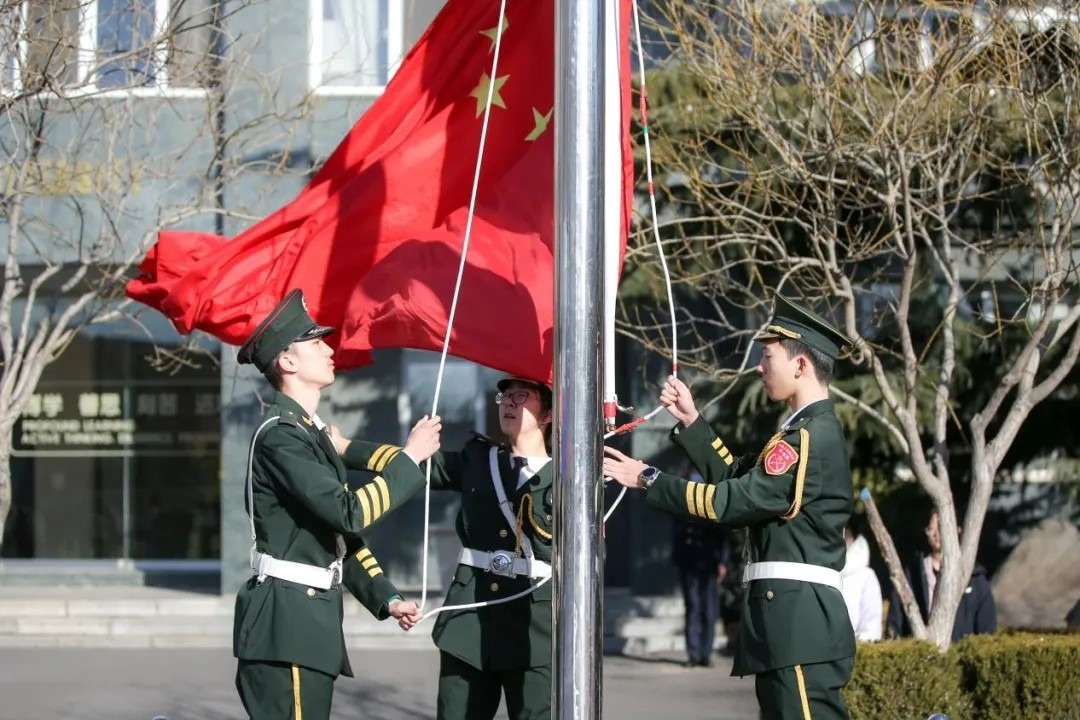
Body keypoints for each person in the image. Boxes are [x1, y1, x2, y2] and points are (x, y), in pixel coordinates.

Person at [603, 294, 857, 720]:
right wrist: (692, 421)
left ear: (800, 365)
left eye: (768, 356)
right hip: (787, 625)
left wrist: (649, 478)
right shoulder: (800, 433)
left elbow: (731, 502)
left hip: (799, 626)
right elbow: (739, 480)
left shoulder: (809, 437)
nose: (760, 367)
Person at [231, 288, 443, 720]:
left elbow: (337, 539)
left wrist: (386, 598)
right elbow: (350, 513)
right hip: (286, 626)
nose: (329, 351)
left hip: (304, 623)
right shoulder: (282, 436)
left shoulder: (306, 434)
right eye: (315, 344)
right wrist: (408, 459)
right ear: (287, 361)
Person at [351, 374, 554, 720]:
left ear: (548, 414)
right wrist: (344, 447)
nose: (508, 402)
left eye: (522, 396)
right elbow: (411, 462)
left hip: (534, 626)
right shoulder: (480, 460)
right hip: (469, 621)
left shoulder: (569, 477)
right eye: (504, 396)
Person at [885, 507, 997, 642]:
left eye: (941, 528)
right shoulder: (913, 575)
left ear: (958, 530)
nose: (936, 534)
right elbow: (895, 623)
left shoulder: (975, 578)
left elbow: (987, 632)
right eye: (931, 529)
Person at [672, 487, 731, 668]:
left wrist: (723, 562)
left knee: (709, 610)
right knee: (693, 608)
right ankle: (693, 654)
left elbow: (723, 537)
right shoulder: (683, 512)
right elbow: (677, 537)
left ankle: (706, 654)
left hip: (709, 566)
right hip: (690, 565)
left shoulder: (712, 510)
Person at [841, 517, 883, 641]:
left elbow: (871, 629)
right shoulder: (819, 572)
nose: (841, 539)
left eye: (846, 534)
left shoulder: (866, 576)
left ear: (853, 538)